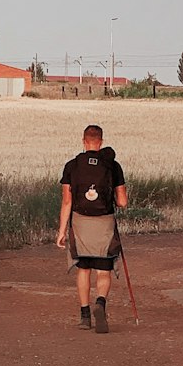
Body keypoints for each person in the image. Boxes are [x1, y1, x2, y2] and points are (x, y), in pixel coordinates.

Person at [56, 124, 128, 333]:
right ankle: (101, 304)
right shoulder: (113, 166)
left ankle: (85, 315)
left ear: (83, 141)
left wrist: (61, 231)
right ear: (101, 142)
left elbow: (67, 202)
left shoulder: (72, 166)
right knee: (103, 270)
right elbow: (122, 202)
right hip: (104, 223)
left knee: (83, 268)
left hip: (80, 223)